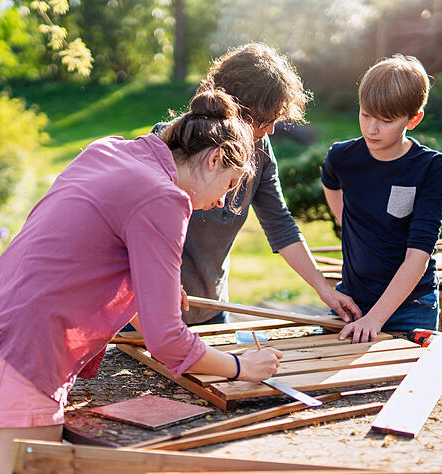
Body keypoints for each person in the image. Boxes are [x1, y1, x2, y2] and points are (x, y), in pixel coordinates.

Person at [0, 89, 284, 474]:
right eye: (230, 183)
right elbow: (166, 340)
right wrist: (242, 367)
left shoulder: (110, 149)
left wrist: (150, 288)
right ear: (214, 159)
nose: (222, 201)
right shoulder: (166, 198)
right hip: (16, 352)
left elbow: (72, 249)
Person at [155, 43, 361, 327]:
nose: (272, 130)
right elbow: (138, 230)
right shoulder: (171, 140)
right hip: (149, 310)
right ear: (237, 110)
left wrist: (323, 289)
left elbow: (280, 224)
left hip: (212, 309)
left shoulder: (259, 147)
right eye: (266, 120)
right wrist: (158, 287)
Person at [320, 54, 442, 343]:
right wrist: (349, 223)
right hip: (352, 302)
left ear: (414, 119)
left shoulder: (430, 168)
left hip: (412, 308)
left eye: (386, 120)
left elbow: (418, 256)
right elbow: (330, 183)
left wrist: (376, 319)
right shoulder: (342, 157)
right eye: (366, 115)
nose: (371, 129)